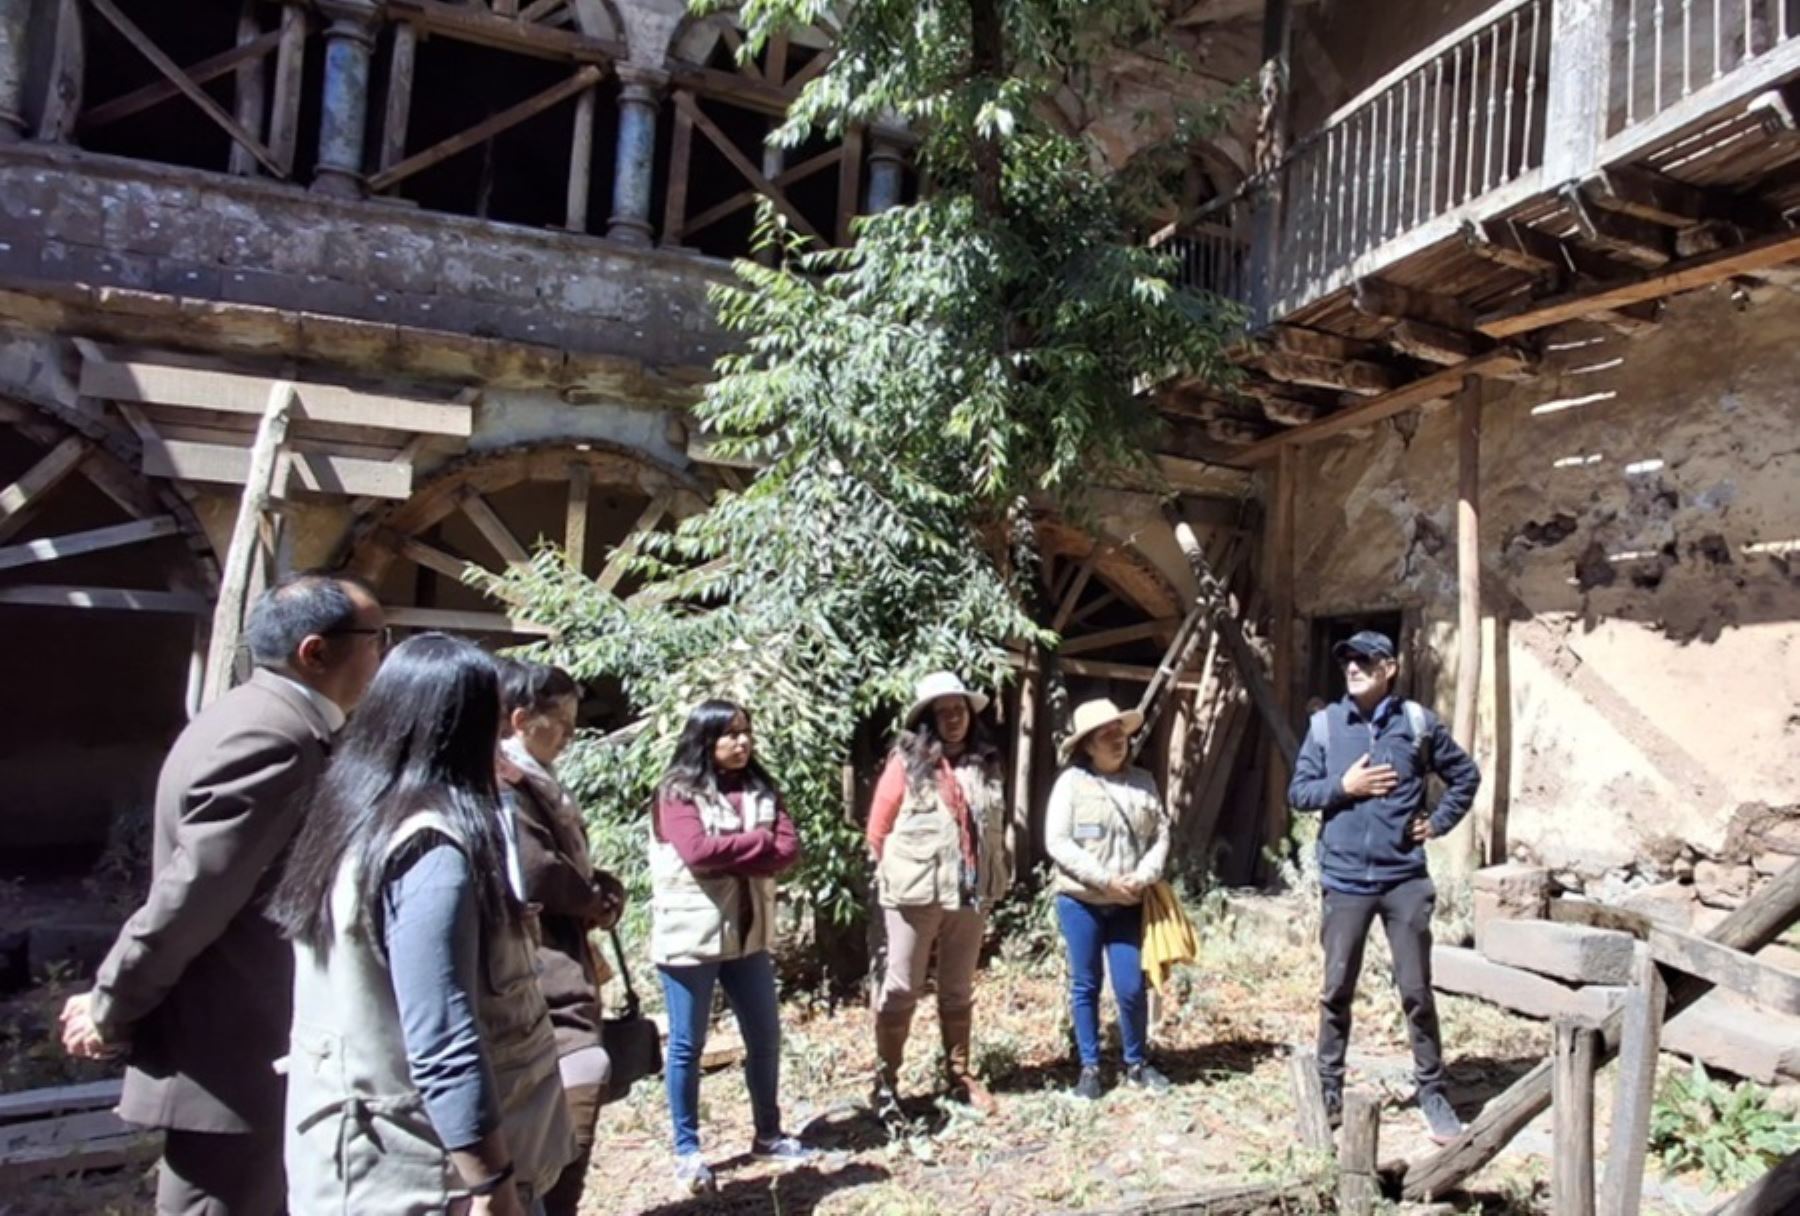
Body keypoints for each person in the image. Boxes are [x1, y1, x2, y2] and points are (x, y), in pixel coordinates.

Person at [59, 572, 384, 1216]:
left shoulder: (258, 717)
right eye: (378, 638)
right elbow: (194, 892)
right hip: (231, 1055)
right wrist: (111, 998)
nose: (385, 656)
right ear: (315, 652)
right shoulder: (276, 739)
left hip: (246, 1049)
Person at [272, 634, 573, 1216]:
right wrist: (491, 1184)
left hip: (358, 1160)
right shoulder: (432, 850)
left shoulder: (350, 815)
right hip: (428, 1178)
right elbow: (442, 1035)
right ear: (464, 730)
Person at [1288, 629, 1481, 1145]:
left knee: (1416, 991)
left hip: (1404, 882)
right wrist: (1343, 787)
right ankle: (1328, 1089)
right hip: (1345, 881)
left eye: (1365, 660)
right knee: (1336, 991)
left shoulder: (1417, 724)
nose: (1352, 667)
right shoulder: (1326, 726)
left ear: (1389, 668)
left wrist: (1438, 823)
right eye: (1346, 660)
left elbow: (1466, 776)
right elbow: (1299, 792)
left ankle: (1433, 1094)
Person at [650, 699, 810, 1195]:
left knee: (764, 1038)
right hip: (689, 938)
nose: (741, 742)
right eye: (729, 734)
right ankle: (687, 1149)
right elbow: (696, 852)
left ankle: (768, 1133)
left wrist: (741, 850)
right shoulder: (677, 793)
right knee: (686, 1045)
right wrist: (755, 845)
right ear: (705, 739)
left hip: (748, 936)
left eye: (746, 732)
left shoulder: (763, 789)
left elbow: (788, 849)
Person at [497, 659, 627, 1216]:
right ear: (522, 719)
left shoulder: (534, 778)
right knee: (575, 1076)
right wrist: (588, 898)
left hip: (558, 951)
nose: (572, 735)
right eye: (563, 722)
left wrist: (600, 888)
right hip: (537, 964)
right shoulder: (507, 782)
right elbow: (533, 870)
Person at [866, 672, 1008, 1119]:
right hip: (915, 894)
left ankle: (959, 1073)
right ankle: (886, 1082)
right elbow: (877, 830)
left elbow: (992, 828)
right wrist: (901, 873)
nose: (953, 719)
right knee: (903, 987)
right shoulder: (906, 763)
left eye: (959, 710)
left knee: (958, 989)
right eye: (943, 712)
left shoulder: (985, 761)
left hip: (969, 892)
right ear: (928, 719)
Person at [1044, 697, 1172, 1100]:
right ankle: (1089, 1068)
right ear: (1087, 745)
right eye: (1107, 735)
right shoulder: (1070, 785)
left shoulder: (1144, 782)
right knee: (1086, 984)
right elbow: (1058, 841)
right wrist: (1103, 881)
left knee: (1132, 985)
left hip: (1130, 902)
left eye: (1120, 733)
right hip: (1081, 900)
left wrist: (1145, 875)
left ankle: (1136, 1063)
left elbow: (1161, 834)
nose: (1118, 741)